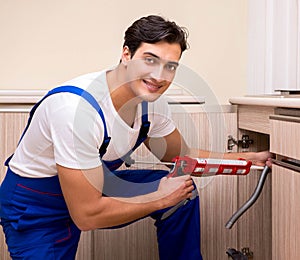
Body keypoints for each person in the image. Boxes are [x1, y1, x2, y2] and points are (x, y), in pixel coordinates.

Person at [0, 15, 272, 260]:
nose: (159, 75)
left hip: (92, 186)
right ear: (127, 54)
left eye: (170, 66)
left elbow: (183, 157)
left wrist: (247, 158)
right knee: (167, 192)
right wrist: (159, 199)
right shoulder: (75, 110)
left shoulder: (151, 105)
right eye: (150, 60)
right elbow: (86, 215)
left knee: (180, 188)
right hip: (36, 209)